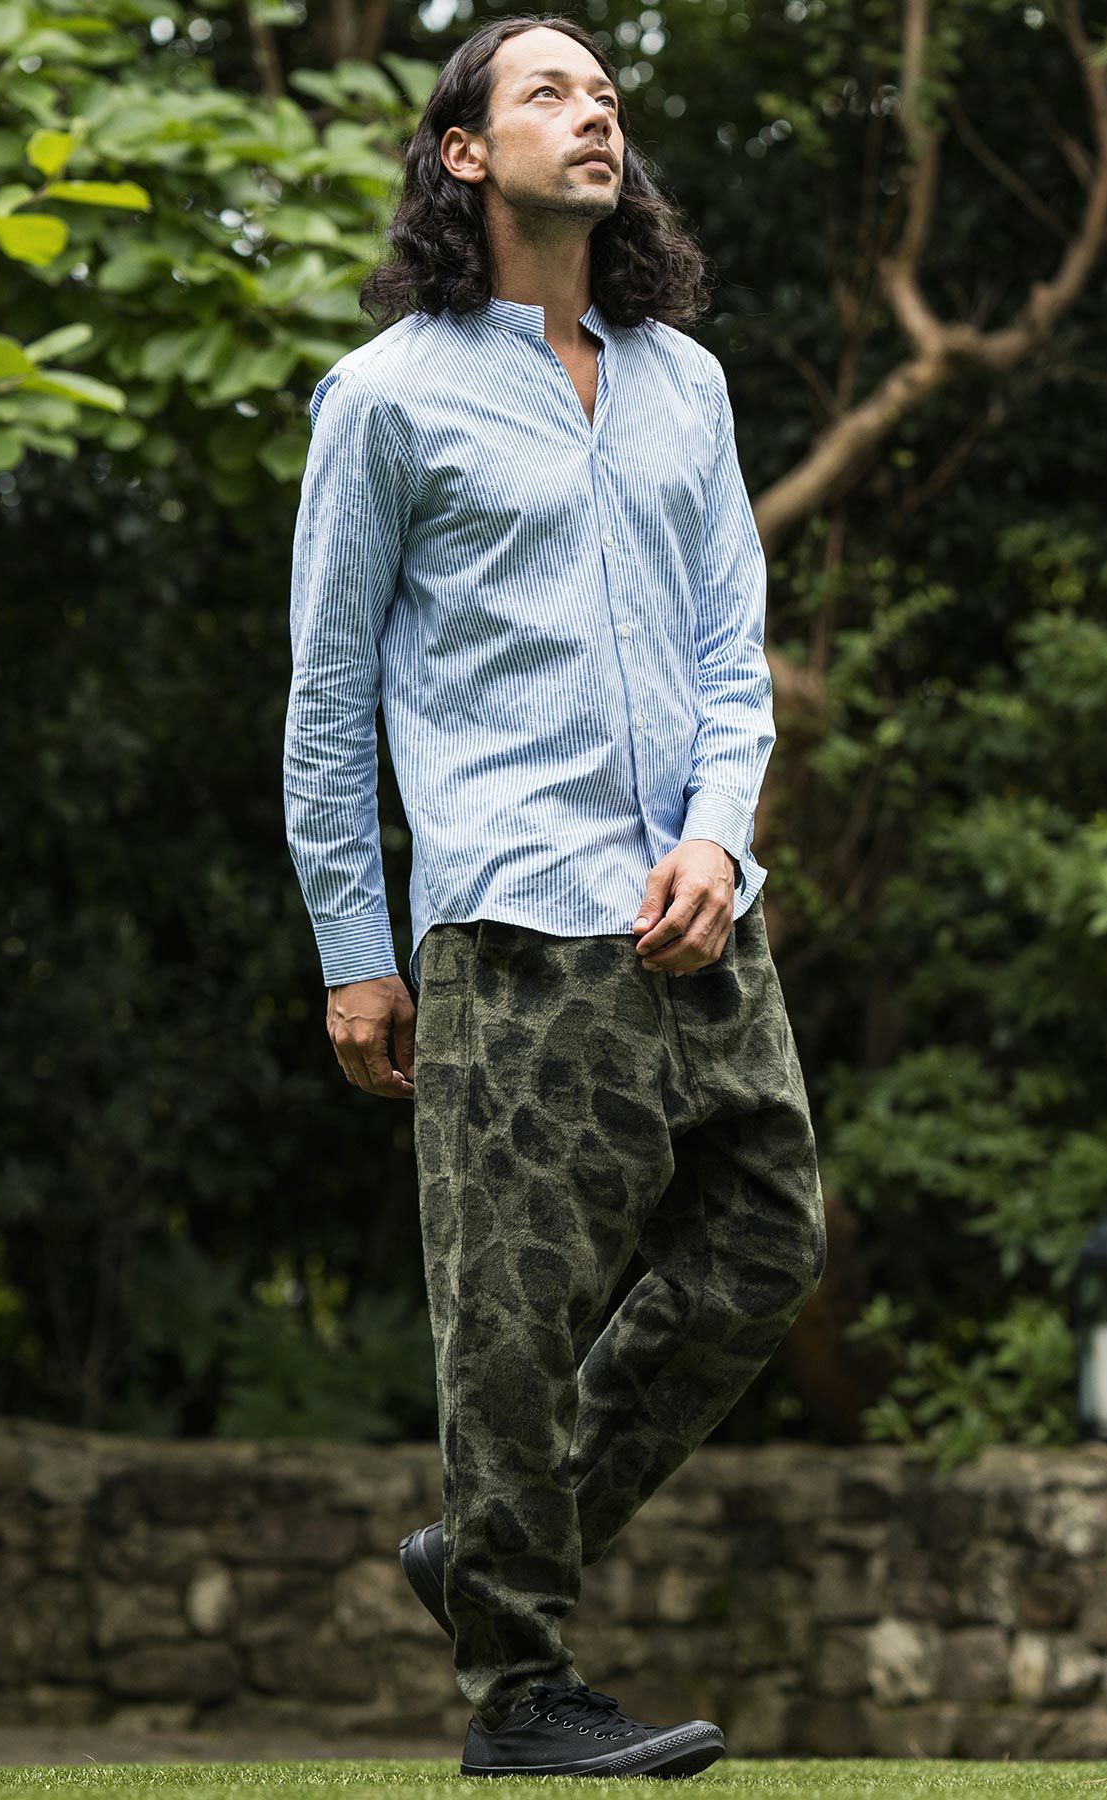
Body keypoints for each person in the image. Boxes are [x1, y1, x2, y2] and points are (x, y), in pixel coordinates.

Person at [282, 13, 827, 1778]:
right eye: (550, 92)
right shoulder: (387, 399)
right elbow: (325, 699)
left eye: (607, 93)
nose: (595, 113)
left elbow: (732, 652)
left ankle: (488, 1551)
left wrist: (722, 839)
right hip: (513, 924)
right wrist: (356, 953)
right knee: (510, 1319)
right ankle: (519, 1691)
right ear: (466, 151)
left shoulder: (687, 382)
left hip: (698, 913)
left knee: (767, 1249)